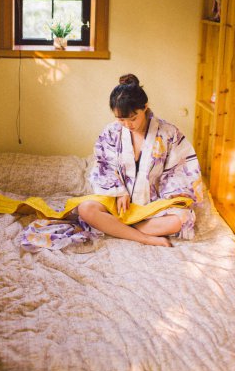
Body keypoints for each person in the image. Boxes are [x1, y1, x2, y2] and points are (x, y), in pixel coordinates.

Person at [78, 74, 203, 247]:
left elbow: (180, 169)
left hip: (151, 203)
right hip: (117, 200)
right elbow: (103, 166)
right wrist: (120, 191)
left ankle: (122, 226)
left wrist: (170, 198)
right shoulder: (111, 132)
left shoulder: (168, 133)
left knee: (182, 219)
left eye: (133, 118)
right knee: (85, 209)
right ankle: (144, 237)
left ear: (145, 107)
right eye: (121, 119)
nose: (128, 125)